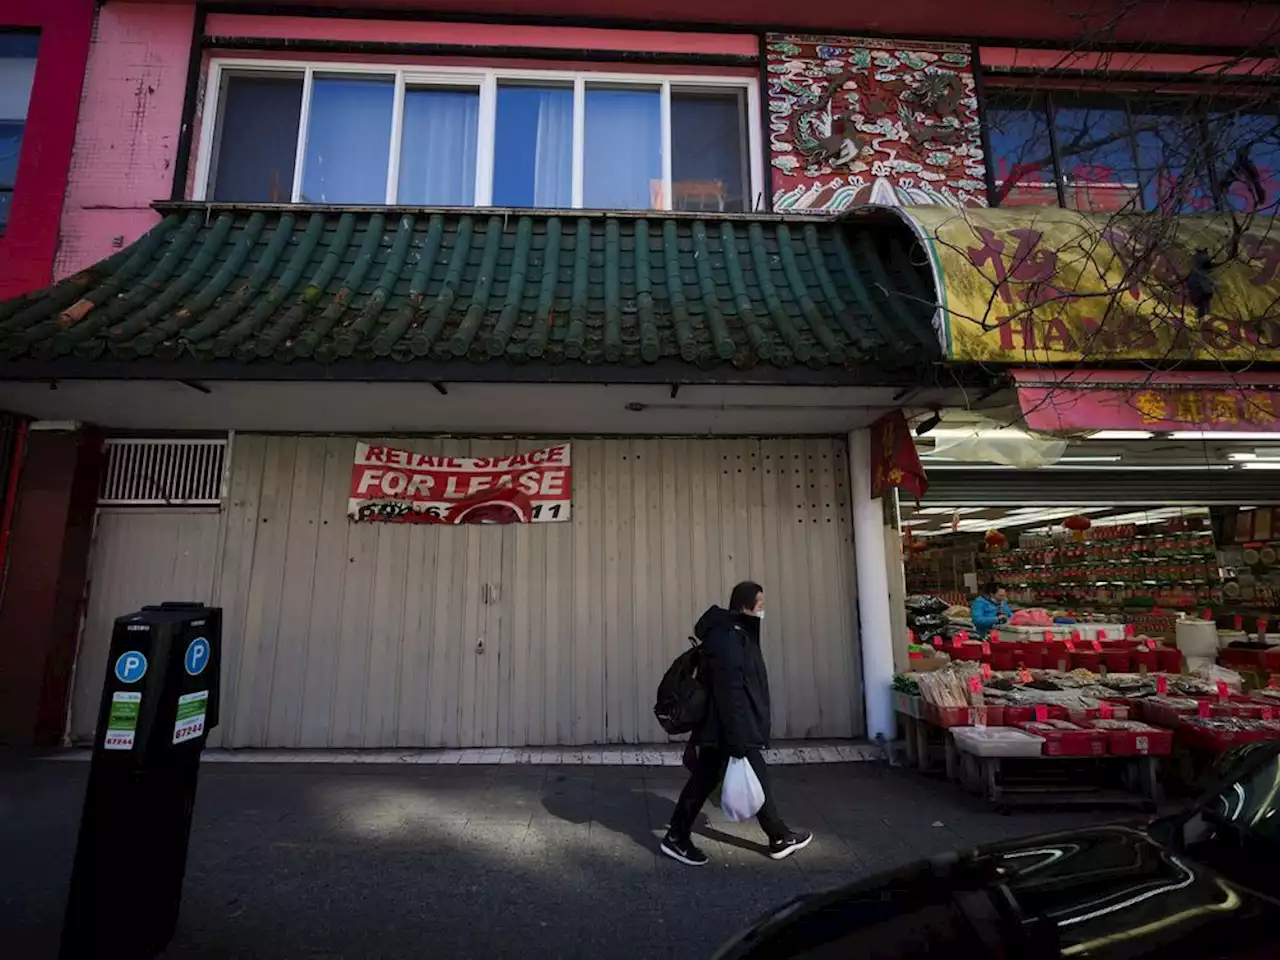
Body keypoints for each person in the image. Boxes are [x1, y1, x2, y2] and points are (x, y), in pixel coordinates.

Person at [660, 581, 812, 866]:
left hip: (726, 727)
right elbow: (731, 692)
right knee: (741, 774)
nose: (762, 610)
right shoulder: (729, 638)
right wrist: (739, 739)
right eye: (760, 605)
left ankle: (776, 835)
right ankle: (777, 836)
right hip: (729, 728)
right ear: (746, 605)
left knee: (707, 778)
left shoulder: (735, 634)